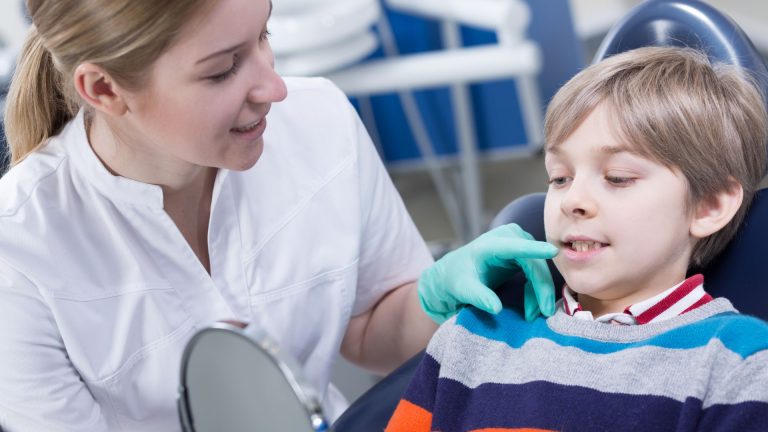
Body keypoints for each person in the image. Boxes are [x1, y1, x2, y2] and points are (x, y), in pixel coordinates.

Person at [0, 0, 559, 430]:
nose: (275, 87)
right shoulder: (19, 251)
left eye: (263, 34)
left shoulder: (321, 124)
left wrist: (435, 299)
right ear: (103, 88)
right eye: (223, 70)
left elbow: (370, 334)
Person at [386, 46, 768, 431]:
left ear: (709, 205)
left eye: (617, 178)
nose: (573, 200)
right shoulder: (471, 339)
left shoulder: (738, 363)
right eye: (559, 178)